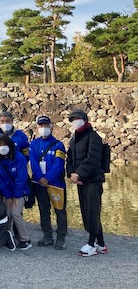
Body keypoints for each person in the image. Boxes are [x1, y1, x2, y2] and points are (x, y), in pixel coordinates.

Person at [66, 109, 108, 257]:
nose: (75, 121)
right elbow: (69, 158)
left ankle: (91, 244)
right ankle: (101, 243)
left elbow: (93, 159)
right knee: (88, 211)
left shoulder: (94, 137)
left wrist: (79, 173)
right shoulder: (74, 139)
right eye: (72, 119)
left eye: (77, 118)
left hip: (93, 180)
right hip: (81, 181)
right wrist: (71, 173)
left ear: (84, 119)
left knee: (92, 211)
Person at [29, 115, 67, 250]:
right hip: (39, 183)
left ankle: (61, 237)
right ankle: (47, 236)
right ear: (37, 128)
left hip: (56, 183)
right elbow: (33, 163)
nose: (43, 128)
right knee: (43, 210)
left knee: (60, 210)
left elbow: (59, 165)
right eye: (41, 126)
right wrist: (40, 178)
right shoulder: (33, 144)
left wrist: (48, 178)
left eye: (46, 126)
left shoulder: (59, 145)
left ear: (51, 127)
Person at [0, 134, 32, 250]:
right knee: (6, 213)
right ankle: (7, 236)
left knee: (15, 213)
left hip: (20, 191)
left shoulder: (19, 157)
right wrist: (8, 195)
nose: (2, 147)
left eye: (4, 144)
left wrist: (15, 195)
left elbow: (22, 177)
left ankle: (25, 239)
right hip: (6, 192)